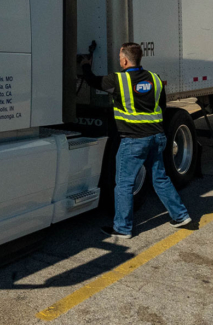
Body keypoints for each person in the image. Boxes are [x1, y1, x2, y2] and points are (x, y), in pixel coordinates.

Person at [81, 42, 191, 239]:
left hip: (133, 141)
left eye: (120, 58)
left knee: (124, 184)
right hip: (157, 137)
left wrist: (85, 65)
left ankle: (122, 228)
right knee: (160, 178)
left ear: (124, 60)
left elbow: (91, 81)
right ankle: (181, 216)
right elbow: (162, 107)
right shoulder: (155, 79)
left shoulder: (118, 80)